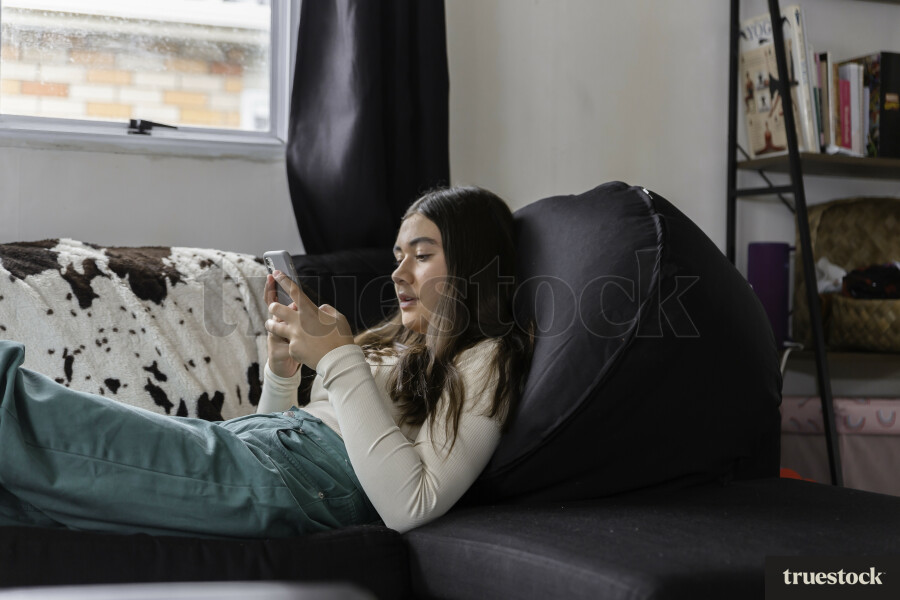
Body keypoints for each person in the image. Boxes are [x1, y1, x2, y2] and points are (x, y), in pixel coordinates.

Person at [0, 186, 533, 538]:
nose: (398, 274)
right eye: (398, 258)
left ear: (472, 264)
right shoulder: (396, 341)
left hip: (302, 477)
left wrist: (340, 358)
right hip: (264, 447)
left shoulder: (487, 357)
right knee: (20, 503)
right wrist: (284, 373)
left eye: (421, 255)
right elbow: (288, 426)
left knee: (34, 414)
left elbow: (411, 505)